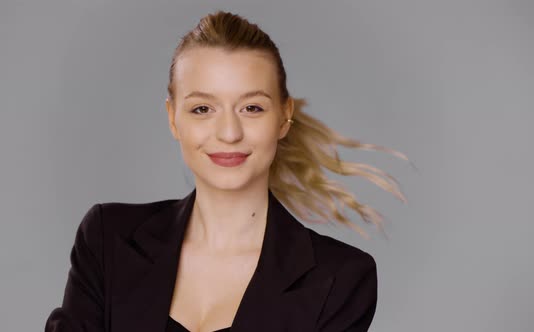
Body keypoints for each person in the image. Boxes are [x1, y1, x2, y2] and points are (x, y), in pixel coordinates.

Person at [45, 10, 409, 332]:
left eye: (252, 108)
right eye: (203, 109)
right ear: (173, 118)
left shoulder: (340, 278)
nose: (229, 133)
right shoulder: (108, 240)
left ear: (285, 116)